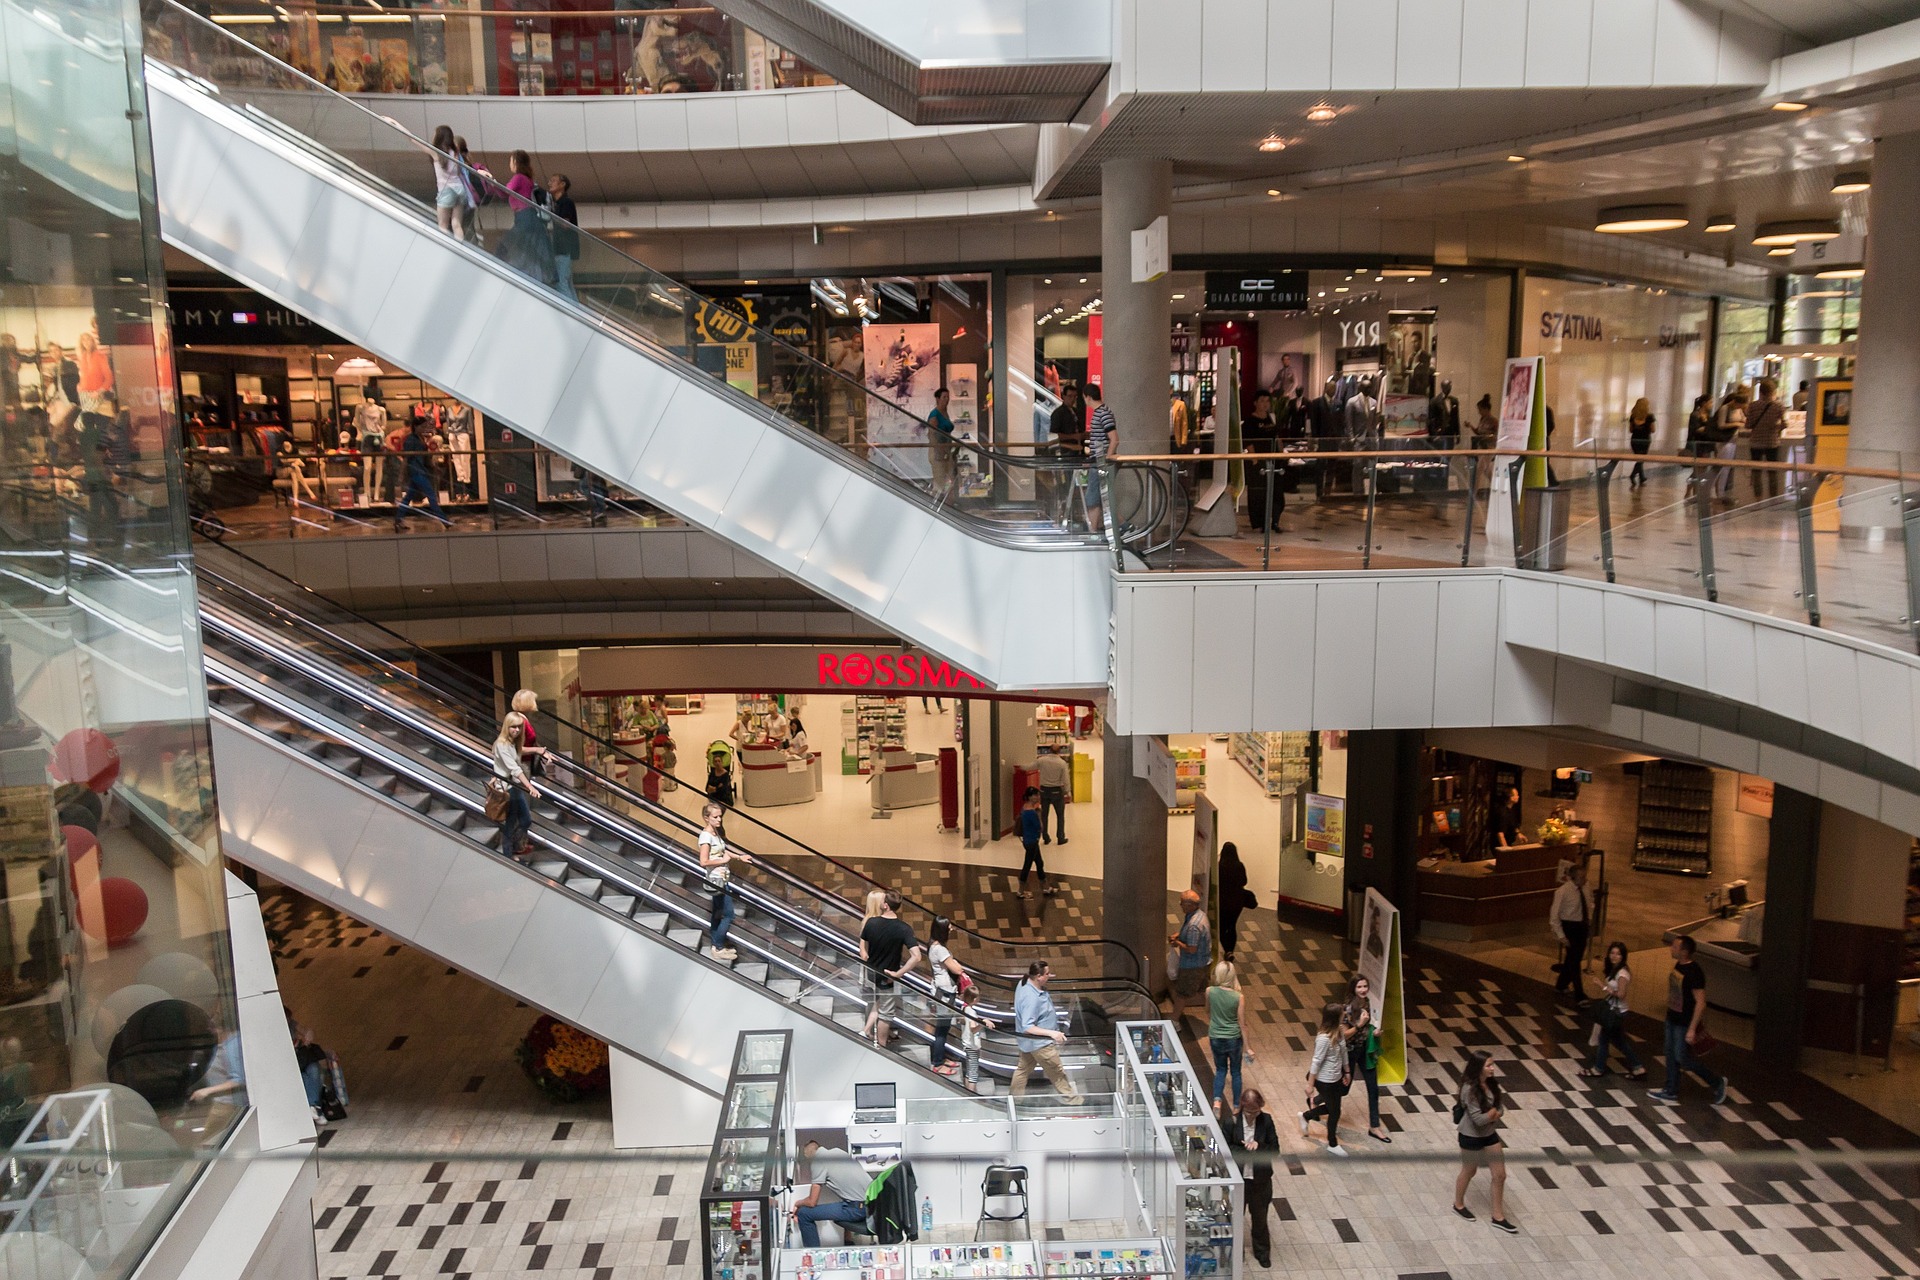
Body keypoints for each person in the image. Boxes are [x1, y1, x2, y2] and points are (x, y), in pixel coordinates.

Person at [1649, 934, 1726, 1105]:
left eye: (1675, 947)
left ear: (1684, 951)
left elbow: (1700, 1002)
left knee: (1683, 1058)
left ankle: (1717, 1082)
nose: (1671, 949)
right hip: (1672, 1018)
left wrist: (1692, 1028)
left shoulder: (1694, 972)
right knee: (1670, 1054)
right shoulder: (1679, 965)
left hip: (1683, 1023)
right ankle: (1671, 1089)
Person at [1452, 1051, 1517, 1233]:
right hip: (1470, 1135)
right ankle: (1458, 1204)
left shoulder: (1491, 1083)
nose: (1492, 1068)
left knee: (1500, 1174)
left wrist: (1493, 1114)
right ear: (1478, 1067)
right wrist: (1493, 1114)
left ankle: (1498, 1216)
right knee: (1469, 1170)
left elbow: (1500, 1108)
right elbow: (1478, 1120)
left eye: (1492, 1064)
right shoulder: (1469, 1089)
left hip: (1489, 1133)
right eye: (1488, 1065)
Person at [1012, 960, 1082, 1102]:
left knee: (1022, 1070)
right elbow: (1027, 1027)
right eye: (1047, 974)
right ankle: (1074, 1101)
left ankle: (1014, 1100)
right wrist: (1053, 1033)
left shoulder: (1025, 982)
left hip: (1028, 1044)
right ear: (1038, 976)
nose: (1049, 976)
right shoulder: (1032, 998)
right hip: (1040, 1045)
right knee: (1057, 1072)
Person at [859, 891, 921, 1048]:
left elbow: (864, 945)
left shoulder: (871, 923)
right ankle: (881, 1045)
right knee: (886, 1014)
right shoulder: (904, 929)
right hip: (887, 977)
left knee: (878, 1003)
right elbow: (917, 956)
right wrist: (898, 974)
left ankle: (873, 1035)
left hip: (871, 973)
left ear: (885, 905)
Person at [1581, 940, 1646, 1079]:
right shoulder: (1615, 969)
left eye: (1618, 954)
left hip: (1616, 1011)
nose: (1614, 956)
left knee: (1604, 1039)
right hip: (1617, 1010)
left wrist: (1602, 986)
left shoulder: (1622, 973)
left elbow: (1621, 995)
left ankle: (1598, 1069)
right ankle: (1638, 1067)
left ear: (1623, 956)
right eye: (1612, 953)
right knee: (1619, 1041)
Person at [1232, 1086, 1280, 1268]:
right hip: (1239, 1181)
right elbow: (1225, 1148)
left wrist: (1259, 1146)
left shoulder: (1266, 1121)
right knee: (1236, 1218)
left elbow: (1275, 1151)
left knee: (1260, 1219)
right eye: (1249, 1111)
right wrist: (1244, 1149)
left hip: (1260, 1181)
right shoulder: (1232, 1122)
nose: (1252, 1115)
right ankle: (1236, 1253)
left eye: (1256, 1111)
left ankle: (1262, 1252)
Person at [496, 149, 557, 286]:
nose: (510, 164)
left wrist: (491, 181)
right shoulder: (527, 179)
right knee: (527, 249)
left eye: (511, 161)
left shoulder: (518, 178)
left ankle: (509, 271)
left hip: (524, 217)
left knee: (510, 245)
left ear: (516, 162)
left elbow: (506, 191)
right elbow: (505, 194)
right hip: (527, 217)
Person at [699, 801, 751, 961]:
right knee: (729, 915)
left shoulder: (715, 833)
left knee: (717, 913)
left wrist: (738, 857)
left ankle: (717, 945)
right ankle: (719, 946)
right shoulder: (706, 836)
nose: (719, 820)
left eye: (720, 816)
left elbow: (723, 850)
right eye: (715, 817)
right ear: (706, 818)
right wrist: (723, 861)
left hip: (722, 878)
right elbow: (704, 861)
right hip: (716, 880)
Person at [793, 1140, 872, 1245]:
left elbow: (812, 1202)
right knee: (843, 1202)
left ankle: (812, 1257)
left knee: (804, 1213)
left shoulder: (818, 1161)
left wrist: (797, 1203)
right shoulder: (838, 1152)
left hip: (857, 1209)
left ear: (805, 1153)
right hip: (873, 1205)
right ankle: (848, 1242)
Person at [1299, 1001, 1349, 1156]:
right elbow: (1316, 1061)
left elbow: (1344, 1052)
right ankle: (1332, 1143)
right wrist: (1310, 1085)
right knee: (1335, 1112)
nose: (1344, 1015)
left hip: (1336, 1078)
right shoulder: (1323, 1038)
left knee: (1333, 1108)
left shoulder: (1339, 1031)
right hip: (1324, 1080)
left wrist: (1347, 1072)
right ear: (1335, 1017)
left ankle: (1306, 1116)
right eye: (1342, 1013)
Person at [1346, 975, 1390, 1143]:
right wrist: (1362, 1024)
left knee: (1373, 1088)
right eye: (1359, 987)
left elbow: (1367, 1027)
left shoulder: (1367, 1002)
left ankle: (1375, 1126)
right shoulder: (1348, 1007)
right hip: (1352, 1050)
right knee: (1344, 1089)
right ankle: (1315, 1102)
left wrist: (1374, 1032)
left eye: (1365, 986)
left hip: (1365, 1049)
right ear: (1353, 989)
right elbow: (1347, 1034)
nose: (1363, 989)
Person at [1206, 961, 1254, 1112]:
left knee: (1220, 1070)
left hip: (1215, 1036)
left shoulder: (1210, 991)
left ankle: (1217, 1102)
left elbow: (1208, 1011)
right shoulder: (1238, 997)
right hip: (1233, 1039)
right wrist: (1248, 1048)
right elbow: (1242, 1024)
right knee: (1235, 1072)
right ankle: (1236, 1106)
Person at [926, 917, 967, 1075]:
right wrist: (957, 965)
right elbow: (956, 969)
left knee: (943, 1027)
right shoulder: (940, 949)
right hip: (945, 992)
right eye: (948, 927)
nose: (951, 929)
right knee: (942, 1029)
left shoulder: (934, 945)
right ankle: (937, 1063)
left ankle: (941, 1057)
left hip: (943, 990)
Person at [494, 712, 538, 856]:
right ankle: (508, 852)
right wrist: (529, 786)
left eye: (519, 727)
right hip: (508, 789)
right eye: (513, 727)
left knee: (524, 820)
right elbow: (514, 769)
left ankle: (512, 847)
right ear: (507, 726)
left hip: (515, 787)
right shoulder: (501, 744)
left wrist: (539, 750)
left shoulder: (512, 743)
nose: (517, 730)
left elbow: (520, 751)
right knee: (512, 822)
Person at [1548, 858, 1590, 1001]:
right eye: (1581, 877)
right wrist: (1561, 936)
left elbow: (1589, 903)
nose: (1584, 879)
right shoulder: (1562, 891)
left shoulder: (1586, 887)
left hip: (1582, 926)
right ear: (1572, 878)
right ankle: (1579, 993)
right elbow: (1554, 916)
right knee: (1574, 960)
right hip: (1569, 927)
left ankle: (1561, 984)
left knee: (1574, 958)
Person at [394, 414, 446, 528]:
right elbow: (406, 458)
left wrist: (434, 467)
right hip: (416, 471)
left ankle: (398, 520)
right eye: (422, 427)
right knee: (431, 495)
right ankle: (444, 520)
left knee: (408, 497)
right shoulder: (411, 440)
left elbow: (425, 457)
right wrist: (402, 474)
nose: (423, 429)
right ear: (415, 426)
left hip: (419, 470)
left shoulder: (419, 438)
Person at [1243, 390, 1283, 533]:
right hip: (1258, 463)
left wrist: (1281, 454)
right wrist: (1255, 460)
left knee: (1276, 492)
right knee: (1258, 494)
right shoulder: (1250, 421)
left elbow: (1277, 437)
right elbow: (1248, 442)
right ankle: (1259, 522)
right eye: (1262, 401)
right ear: (1255, 403)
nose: (1265, 404)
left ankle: (1275, 521)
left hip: (1273, 460)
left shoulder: (1271, 418)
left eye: (1267, 401)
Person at [1168, 889, 1210, 1023]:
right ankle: (1215, 1015)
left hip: (1192, 966)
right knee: (1203, 991)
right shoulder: (1200, 915)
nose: (1180, 905)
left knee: (1181, 994)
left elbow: (1192, 949)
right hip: (1204, 962)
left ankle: (1174, 1021)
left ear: (1189, 905)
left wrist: (1177, 942)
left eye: (1182, 903)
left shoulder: (1193, 926)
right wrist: (1179, 935)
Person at [1745, 377, 1787, 499]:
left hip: (1756, 442)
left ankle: (1758, 498)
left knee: (1756, 472)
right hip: (1772, 442)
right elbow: (1785, 424)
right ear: (1773, 392)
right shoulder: (1779, 406)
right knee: (1772, 472)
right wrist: (1776, 428)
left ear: (1760, 391)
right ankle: (1772, 497)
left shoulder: (1753, 406)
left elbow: (1748, 425)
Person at [190, 1016, 247, 1105]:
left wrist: (207, 1091)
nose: (209, 1031)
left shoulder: (233, 1046)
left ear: (222, 1029)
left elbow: (239, 1079)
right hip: (218, 1100)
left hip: (229, 1103)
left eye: (212, 1027)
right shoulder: (219, 1045)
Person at [1082, 381, 1114, 528]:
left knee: (1092, 498)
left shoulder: (1102, 413)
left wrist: (1106, 459)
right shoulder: (1102, 412)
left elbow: (1114, 438)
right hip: (1097, 461)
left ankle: (1093, 531)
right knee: (1100, 498)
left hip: (1100, 462)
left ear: (1088, 397)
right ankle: (1095, 529)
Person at [545, 173, 580, 300]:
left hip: (564, 249)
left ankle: (571, 312)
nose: (550, 183)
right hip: (562, 249)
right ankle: (576, 311)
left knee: (561, 283)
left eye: (553, 180)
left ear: (562, 184)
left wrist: (550, 214)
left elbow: (566, 224)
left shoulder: (566, 203)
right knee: (567, 283)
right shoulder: (558, 204)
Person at [430, 124, 467, 240]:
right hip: (460, 189)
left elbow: (413, 140)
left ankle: (449, 251)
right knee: (456, 224)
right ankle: (460, 248)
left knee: (443, 225)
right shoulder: (455, 153)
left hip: (446, 192)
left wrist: (397, 125)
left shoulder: (436, 153)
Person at [1017, 786, 1052, 897]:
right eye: (1036, 795)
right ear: (1030, 797)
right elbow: (1040, 827)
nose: (1038, 797)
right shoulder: (1031, 812)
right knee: (1027, 865)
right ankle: (1020, 891)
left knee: (1039, 863)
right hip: (1032, 841)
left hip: (1028, 841)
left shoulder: (1024, 808)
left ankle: (1045, 887)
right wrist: (1039, 815)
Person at [1217, 841, 1249, 960]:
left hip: (1222, 902)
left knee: (1222, 926)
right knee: (1232, 925)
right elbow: (1244, 882)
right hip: (1237, 903)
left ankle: (1226, 949)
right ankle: (1230, 950)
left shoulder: (1219, 867)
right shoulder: (1239, 865)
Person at [927, 385, 958, 503]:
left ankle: (949, 502)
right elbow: (932, 434)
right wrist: (938, 450)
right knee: (940, 480)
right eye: (944, 397)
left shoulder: (945, 413)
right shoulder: (934, 415)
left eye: (948, 397)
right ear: (938, 399)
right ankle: (938, 504)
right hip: (938, 452)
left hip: (947, 451)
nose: (947, 399)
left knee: (950, 478)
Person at [1035, 746, 1070, 845]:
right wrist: (1068, 791)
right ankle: (1060, 838)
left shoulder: (1041, 760)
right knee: (1060, 816)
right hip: (1056, 791)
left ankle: (1045, 837)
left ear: (1049, 750)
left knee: (1044, 815)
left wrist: (1020, 767)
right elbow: (1066, 779)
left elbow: (1030, 766)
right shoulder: (1062, 763)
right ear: (1059, 751)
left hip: (1044, 790)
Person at [1684, 393, 1716, 499]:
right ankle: (1690, 491)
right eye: (1710, 402)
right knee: (1698, 470)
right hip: (1697, 445)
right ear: (1704, 403)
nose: (1712, 404)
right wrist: (1707, 428)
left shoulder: (1708, 416)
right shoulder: (1695, 415)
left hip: (1705, 445)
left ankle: (1694, 492)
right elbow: (1696, 430)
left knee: (1701, 470)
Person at [1625, 397, 1654, 488]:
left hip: (1635, 440)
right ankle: (1633, 475)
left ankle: (1642, 477)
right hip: (1645, 440)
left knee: (1639, 459)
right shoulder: (1650, 417)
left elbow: (1630, 430)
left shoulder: (1633, 416)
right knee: (1641, 459)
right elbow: (1653, 429)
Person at [1491, 784, 1522, 851]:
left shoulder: (1511, 809)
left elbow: (1513, 824)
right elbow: (1500, 834)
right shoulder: (1503, 813)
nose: (1518, 796)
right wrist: (1506, 850)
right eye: (1516, 795)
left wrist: (1518, 833)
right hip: (1499, 846)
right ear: (1511, 798)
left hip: (1508, 842)